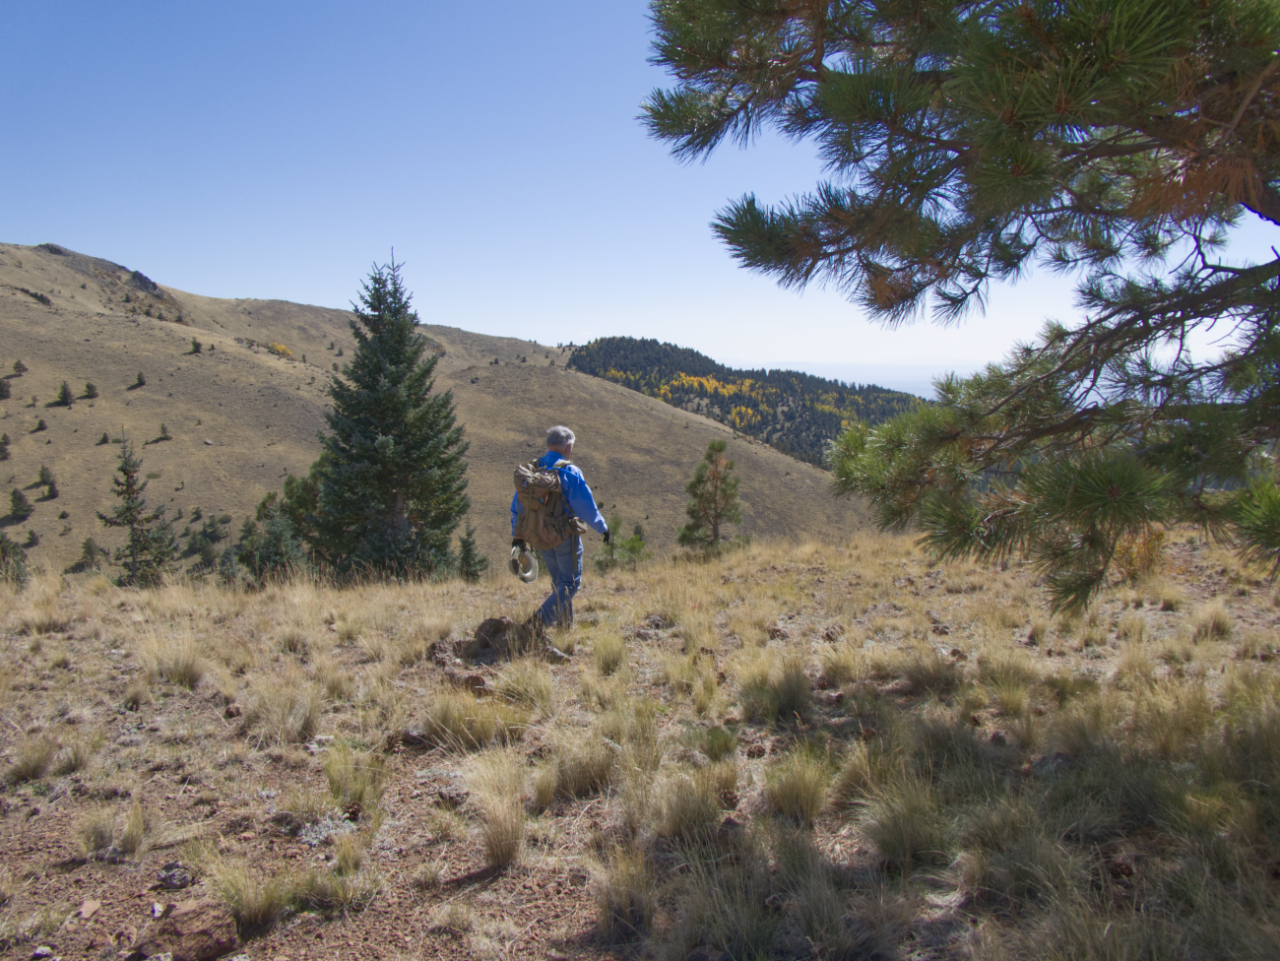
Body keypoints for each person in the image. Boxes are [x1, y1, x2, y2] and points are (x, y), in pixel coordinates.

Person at [511, 425, 609, 631]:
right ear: (568, 447)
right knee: (571, 583)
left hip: (539, 536)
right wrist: (603, 529)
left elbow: (517, 505)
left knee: (559, 582)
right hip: (563, 536)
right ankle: (537, 625)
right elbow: (586, 506)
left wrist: (518, 536)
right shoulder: (569, 471)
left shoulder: (532, 470)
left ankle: (565, 629)